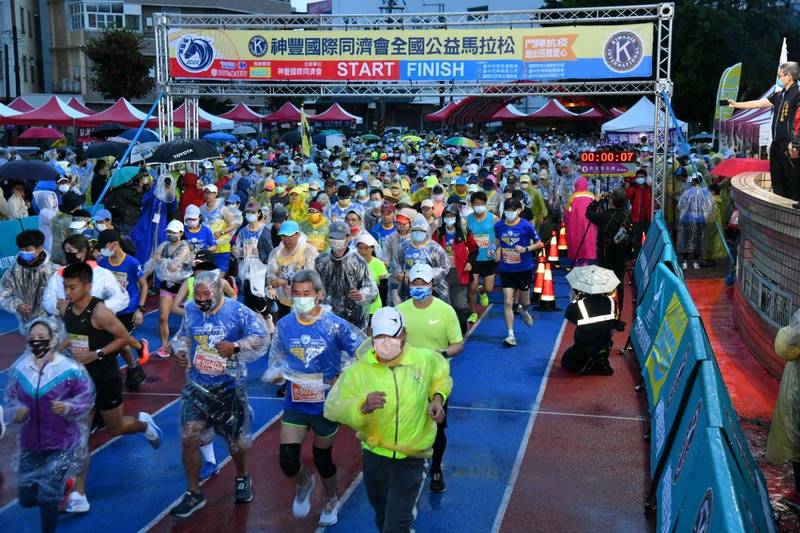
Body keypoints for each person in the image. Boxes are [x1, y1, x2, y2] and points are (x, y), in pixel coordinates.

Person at [324, 307, 452, 533]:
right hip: (375, 457)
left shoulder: (423, 359)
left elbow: (440, 375)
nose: (386, 342)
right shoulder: (358, 371)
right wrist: (361, 406)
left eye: (392, 335)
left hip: (412, 456)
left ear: (403, 334)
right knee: (383, 518)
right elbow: (333, 408)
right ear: (372, 335)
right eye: (380, 336)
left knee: (395, 525)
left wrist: (438, 398)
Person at [264, 269, 365, 527]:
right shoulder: (285, 325)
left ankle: (330, 498)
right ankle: (304, 482)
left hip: (325, 404)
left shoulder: (334, 324)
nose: (300, 299)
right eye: (296, 294)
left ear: (319, 295)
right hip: (296, 402)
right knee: (287, 460)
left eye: (306, 294)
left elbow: (364, 351)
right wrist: (276, 374)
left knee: (323, 459)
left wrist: (342, 377)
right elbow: (277, 360)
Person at [60, 262, 162, 513]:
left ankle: (143, 423)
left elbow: (124, 338)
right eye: (65, 287)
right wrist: (60, 346)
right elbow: (75, 336)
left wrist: (97, 354)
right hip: (81, 382)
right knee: (80, 436)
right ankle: (79, 495)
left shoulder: (100, 312)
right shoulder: (68, 309)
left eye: (72, 287)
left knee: (116, 427)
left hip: (106, 378)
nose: (68, 292)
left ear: (87, 286)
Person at [169, 271, 271, 518]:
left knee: (235, 442)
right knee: (189, 437)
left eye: (207, 294)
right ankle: (194, 493)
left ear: (217, 292)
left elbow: (261, 337)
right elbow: (183, 336)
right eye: (198, 294)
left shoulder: (237, 311)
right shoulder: (192, 309)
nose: (201, 299)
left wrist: (235, 346)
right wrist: (181, 351)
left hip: (229, 388)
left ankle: (242, 476)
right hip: (197, 387)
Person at [4, 318, 95, 533]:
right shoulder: (20, 368)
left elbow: (86, 397)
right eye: (33, 338)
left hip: (61, 443)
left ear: (53, 339)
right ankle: (65, 485)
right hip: (30, 444)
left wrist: (67, 407)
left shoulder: (70, 369)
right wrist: (15, 411)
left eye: (42, 338)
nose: (37, 342)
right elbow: (9, 398)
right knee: (26, 498)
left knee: (47, 498)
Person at [396, 263, 464, 493]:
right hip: (407, 377)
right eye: (415, 283)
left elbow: (458, 344)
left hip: (436, 378)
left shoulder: (445, 311)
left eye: (423, 283)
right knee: (406, 424)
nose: (419, 287)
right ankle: (409, 468)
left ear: (432, 285)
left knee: (437, 426)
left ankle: (435, 468)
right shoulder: (401, 310)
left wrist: (441, 354)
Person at [726, 61, 800, 203]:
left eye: (781, 75)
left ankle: (792, 210)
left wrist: (795, 142)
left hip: (790, 143)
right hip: (777, 142)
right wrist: (736, 104)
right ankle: (779, 205)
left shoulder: (797, 94)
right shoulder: (779, 95)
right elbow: (759, 103)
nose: (779, 78)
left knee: (792, 178)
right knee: (777, 178)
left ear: (789, 76)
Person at [96, 229, 149, 390]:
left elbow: (144, 285)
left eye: (104, 246)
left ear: (114, 244)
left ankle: (120, 375)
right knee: (122, 344)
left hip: (128, 309)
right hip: (110, 309)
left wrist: (140, 308)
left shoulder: (132, 263)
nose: (102, 250)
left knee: (116, 342)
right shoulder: (102, 263)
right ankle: (134, 366)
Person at [494, 197, 543, 347]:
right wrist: (494, 249)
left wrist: (525, 249)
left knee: (525, 301)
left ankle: (522, 309)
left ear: (519, 211)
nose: (509, 213)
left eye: (512, 210)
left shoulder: (526, 226)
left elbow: (539, 243)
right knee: (507, 301)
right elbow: (497, 240)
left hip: (524, 268)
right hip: (506, 268)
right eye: (507, 210)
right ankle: (510, 334)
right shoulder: (499, 226)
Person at [42, 234, 130, 318]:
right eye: (65, 251)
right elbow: (47, 300)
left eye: (70, 251)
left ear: (82, 252)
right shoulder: (59, 273)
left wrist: (97, 307)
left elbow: (121, 299)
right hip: (65, 326)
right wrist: (57, 306)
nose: (67, 254)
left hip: (95, 327)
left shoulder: (103, 274)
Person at [314, 221, 377, 330]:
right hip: (327, 316)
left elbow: (371, 288)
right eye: (332, 237)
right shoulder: (321, 260)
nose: (335, 241)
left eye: (339, 238)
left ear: (348, 238)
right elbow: (314, 285)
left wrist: (361, 295)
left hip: (354, 319)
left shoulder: (358, 261)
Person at [143, 220, 192, 357]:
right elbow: (152, 261)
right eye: (169, 232)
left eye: (174, 232)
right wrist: (144, 275)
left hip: (183, 286)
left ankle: (188, 344)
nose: (171, 235)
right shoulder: (164, 245)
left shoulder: (184, 247)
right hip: (167, 286)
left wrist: (159, 262)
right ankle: (165, 346)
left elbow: (173, 266)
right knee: (163, 316)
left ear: (181, 233)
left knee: (188, 319)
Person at [0, 230, 59, 334]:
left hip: (52, 326)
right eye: (21, 249)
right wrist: (16, 306)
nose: (24, 253)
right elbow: (2, 294)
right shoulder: (13, 272)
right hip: (27, 328)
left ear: (39, 249)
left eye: (28, 249)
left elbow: (62, 299)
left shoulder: (53, 271)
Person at [433, 203, 478, 327]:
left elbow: (474, 249)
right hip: (442, 274)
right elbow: (431, 250)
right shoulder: (438, 233)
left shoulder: (464, 232)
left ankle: (462, 327)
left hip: (460, 273)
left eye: (452, 215)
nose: (449, 218)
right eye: (446, 215)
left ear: (457, 217)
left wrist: (470, 262)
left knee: (459, 304)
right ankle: (446, 329)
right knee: (444, 303)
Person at [586, 189, 631, 313]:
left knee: (604, 280)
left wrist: (596, 200)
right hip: (621, 253)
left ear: (611, 201)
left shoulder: (604, 216)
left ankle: (605, 308)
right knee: (619, 281)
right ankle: (619, 310)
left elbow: (589, 213)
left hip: (605, 253)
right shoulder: (626, 214)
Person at [266, 219, 319, 319]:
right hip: (284, 299)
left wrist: (286, 281)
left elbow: (312, 276)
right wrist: (272, 284)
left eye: (290, 235)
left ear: (298, 235)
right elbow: (270, 273)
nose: (286, 239)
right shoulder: (276, 253)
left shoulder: (309, 251)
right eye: (283, 236)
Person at [560, 289, 617, 375]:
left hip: (584, 348)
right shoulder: (611, 301)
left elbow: (568, 314)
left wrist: (575, 300)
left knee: (565, 361)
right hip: (604, 345)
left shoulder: (581, 305)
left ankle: (586, 364)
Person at [233, 201, 273, 316]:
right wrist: (237, 251)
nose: (250, 214)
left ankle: (267, 322)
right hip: (246, 272)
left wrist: (261, 254)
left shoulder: (265, 231)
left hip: (261, 272)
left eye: (253, 212)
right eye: (248, 212)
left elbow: (272, 253)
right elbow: (238, 250)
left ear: (259, 213)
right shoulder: (243, 232)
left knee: (261, 302)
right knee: (249, 304)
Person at [399, 214, 450, 302]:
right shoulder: (405, 246)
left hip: (431, 288)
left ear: (427, 231)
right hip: (410, 286)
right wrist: (401, 274)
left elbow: (444, 267)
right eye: (415, 230)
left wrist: (427, 276)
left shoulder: (434, 248)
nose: (418, 232)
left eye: (421, 230)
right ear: (411, 231)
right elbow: (398, 263)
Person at [465, 191, 497, 317]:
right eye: (476, 203)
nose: (479, 205)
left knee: (489, 288)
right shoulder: (467, 220)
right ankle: (473, 312)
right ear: (472, 205)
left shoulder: (493, 218)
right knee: (472, 288)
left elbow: (499, 237)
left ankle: (482, 291)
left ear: (485, 204)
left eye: (482, 203)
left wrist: (496, 248)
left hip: (488, 257)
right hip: (474, 258)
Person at [676, 177, 713, 271]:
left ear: (693, 182)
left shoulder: (687, 193)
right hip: (700, 220)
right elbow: (709, 207)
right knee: (698, 241)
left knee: (686, 240)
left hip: (687, 220)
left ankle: (684, 262)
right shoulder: (705, 193)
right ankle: (695, 261)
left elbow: (680, 205)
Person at [564, 177, 597, 265]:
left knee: (576, 243)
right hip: (589, 224)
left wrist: (566, 224)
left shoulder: (572, 197)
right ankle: (588, 262)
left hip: (575, 225)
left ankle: (578, 262)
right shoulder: (592, 196)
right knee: (588, 243)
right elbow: (597, 211)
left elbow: (567, 213)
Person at [357, 232, 388, 317]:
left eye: (366, 248)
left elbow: (384, 287)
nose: (363, 251)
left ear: (372, 248)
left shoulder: (379, 264)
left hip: (374, 305)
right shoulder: (353, 263)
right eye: (360, 248)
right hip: (357, 305)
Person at [626, 169, 653, 257]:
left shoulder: (650, 189)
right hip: (636, 219)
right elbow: (628, 196)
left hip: (648, 219)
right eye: (638, 177)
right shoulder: (633, 188)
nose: (640, 178)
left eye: (642, 177)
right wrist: (629, 187)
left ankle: (648, 257)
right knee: (636, 241)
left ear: (645, 178)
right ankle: (636, 259)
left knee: (649, 241)